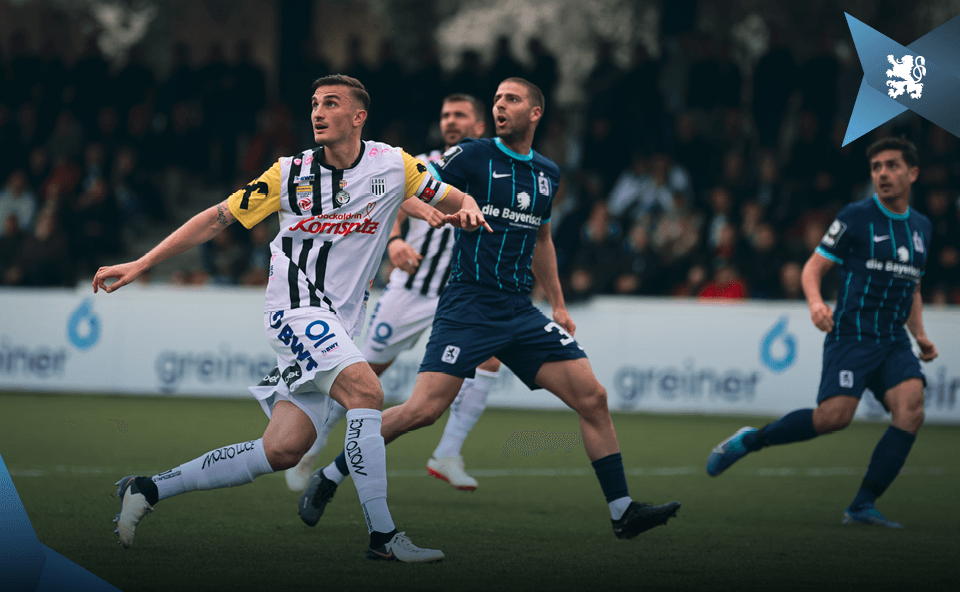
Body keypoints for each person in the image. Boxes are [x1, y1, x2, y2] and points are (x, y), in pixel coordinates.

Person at [92, 74, 491, 562]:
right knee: (367, 392)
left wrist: (468, 209)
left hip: (340, 324)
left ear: (358, 116)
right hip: (295, 312)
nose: (318, 112)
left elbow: (452, 197)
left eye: (331, 103)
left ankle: (148, 489)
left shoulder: (394, 164)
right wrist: (141, 263)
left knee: (282, 448)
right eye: (314, 104)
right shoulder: (289, 174)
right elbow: (215, 218)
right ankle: (383, 537)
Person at [303, 77, 681, 540]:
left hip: (520, 312)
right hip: (467, 305)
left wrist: (558, 305)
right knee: (422, 411)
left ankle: (623, 512)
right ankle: (331, 475)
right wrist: (421, 224)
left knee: (594, 398)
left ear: (536, 113)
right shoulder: (472, 155)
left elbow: (542, 239)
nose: (501, 106)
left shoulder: (548, 172)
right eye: (498, 99)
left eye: (512, 100)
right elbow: (411, 190)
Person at [706, 137, 937, 528]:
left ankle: (862, 505)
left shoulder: (922, 228)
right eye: (877, 166)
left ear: (912, 173)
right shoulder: (856, 216)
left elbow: (911, 284)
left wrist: (920, 334)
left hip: (894, 338)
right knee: (834, 418)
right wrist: (815, 304)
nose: (882, 173)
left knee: (911, 409)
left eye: (892, 165)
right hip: (852, 333)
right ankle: (752, 439)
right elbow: (812, 268)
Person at [287, 93, 501, 495]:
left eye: (460, 115)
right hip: (412, 291)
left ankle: (448, 453)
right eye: (445, 114)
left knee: (490, 358)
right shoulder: (429, 163)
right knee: (364, 376)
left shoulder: (493, 171)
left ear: (479, 126)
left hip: (461, 294)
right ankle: (309, 448)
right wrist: (396, 241)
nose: (450, 121)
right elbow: (396, 197)